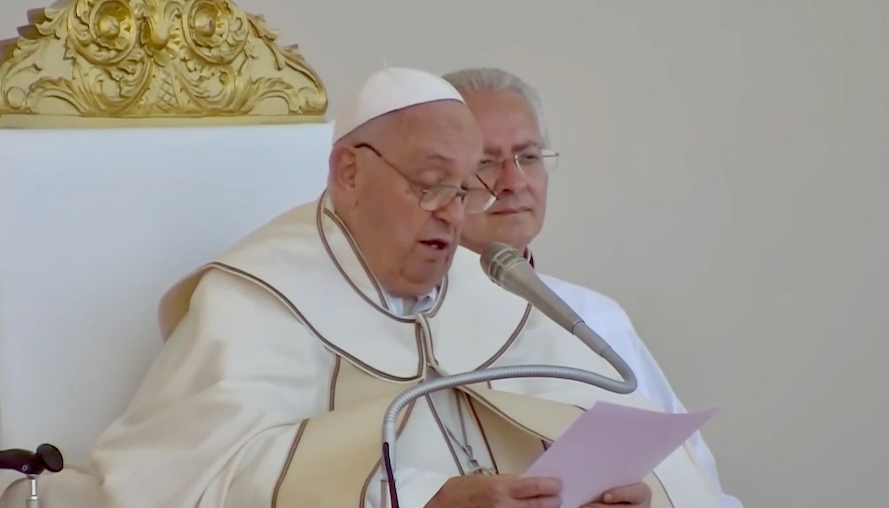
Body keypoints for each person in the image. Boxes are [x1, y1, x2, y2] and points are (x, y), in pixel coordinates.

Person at [84, 67, 725, 508]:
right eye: (430, 182)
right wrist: (420, 498)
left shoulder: (496, 296)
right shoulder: (258, 298)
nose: (452, 210)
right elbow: (189, 480)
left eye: (464, 188)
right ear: (351, 174)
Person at [442, 66, 743, 508]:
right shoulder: (399, 322)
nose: (513, 181)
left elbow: (696, 479)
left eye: (528, 157)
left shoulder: (595, 316)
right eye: (486, 161)